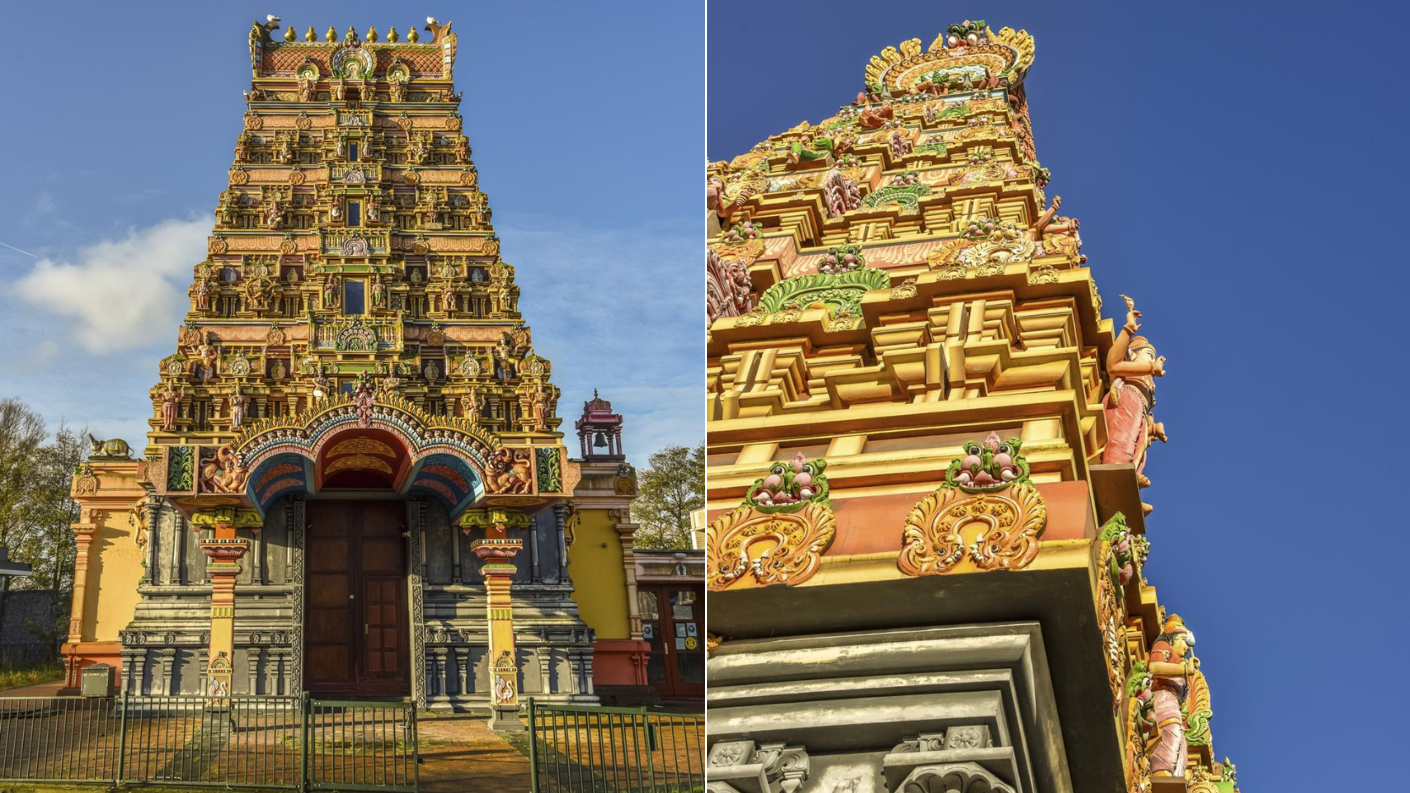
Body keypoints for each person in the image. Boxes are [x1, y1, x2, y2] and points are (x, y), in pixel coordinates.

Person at [1146, 614, 1197, 777]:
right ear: (1173, 639)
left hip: (1173, 702)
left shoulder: (1181, 662)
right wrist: (1184, 670)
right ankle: (1161, 772)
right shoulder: (1163, 645)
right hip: (1163, 695)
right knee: (1171, 730)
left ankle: (1171, 775)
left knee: (1182, 745)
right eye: (1183, 640)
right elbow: (1154, 667)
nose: (1187, 647)